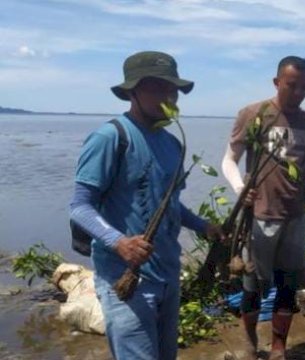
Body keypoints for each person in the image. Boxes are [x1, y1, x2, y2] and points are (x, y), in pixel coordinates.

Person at [69, 51, 222, 360]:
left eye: (173, 89)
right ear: (131, 92)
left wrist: (203, 226)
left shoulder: (173, 144)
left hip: (168, 275)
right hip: (126, 280)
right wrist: (119, 242)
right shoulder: (111, 137)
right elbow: (80, 207)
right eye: (157, 88)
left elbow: (170, 207)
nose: (168, 96)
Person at [221, 55, 305, 360]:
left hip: (295, 216)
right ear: (277, 83)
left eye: (304, 87)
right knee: (252, 285)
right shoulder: (253, 114)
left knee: (288, 284)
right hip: (260, 216)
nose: (298, 92)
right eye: (292, 85)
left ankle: (278, 347)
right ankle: (249, 342)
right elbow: (229, 160)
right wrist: (239, 188)